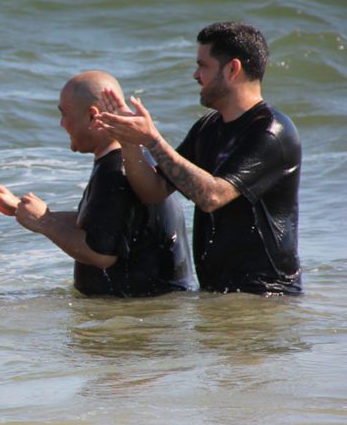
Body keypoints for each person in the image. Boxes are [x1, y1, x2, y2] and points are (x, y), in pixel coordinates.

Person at [93, 22, 302, 295]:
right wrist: (130, 143)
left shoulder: (271, 132)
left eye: (203, 65)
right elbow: (154, 191)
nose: (195, 75)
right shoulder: (208, 128)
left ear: (232, 69)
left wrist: (152, 139)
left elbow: (212, 196)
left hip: (266, 296)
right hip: (218, 295)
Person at [0, 71, 192, 297]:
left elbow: (101, 254)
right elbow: (103, 223)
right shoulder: (137, 159)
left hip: (139, 314)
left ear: (92, 116)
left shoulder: (115, 171)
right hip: (159, 306)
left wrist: (45, 222)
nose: (62, 123)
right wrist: (21, 208)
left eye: (64, 114)